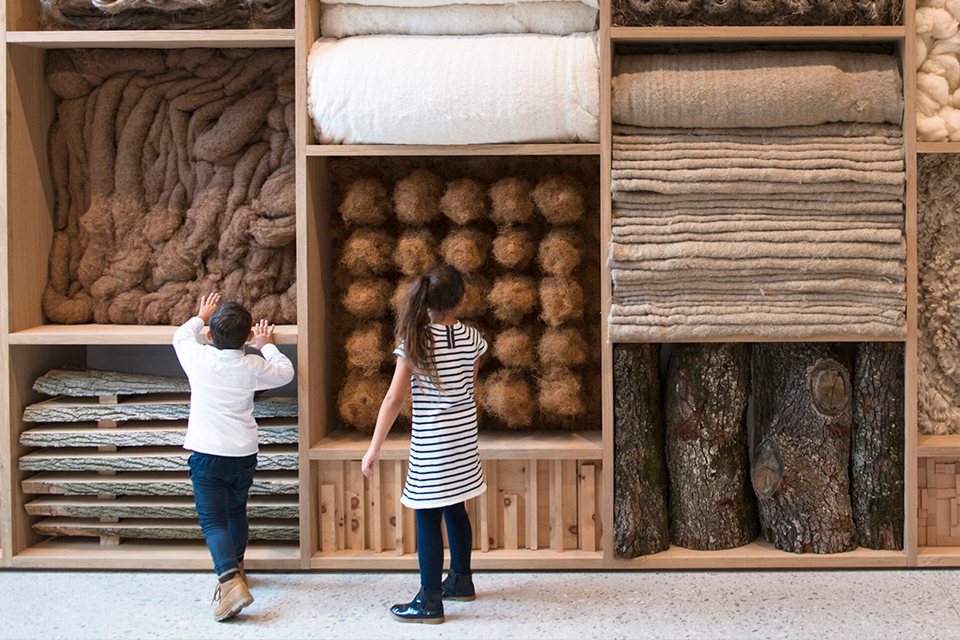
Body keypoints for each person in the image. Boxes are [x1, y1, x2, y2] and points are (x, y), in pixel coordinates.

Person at [362, 264, 488, 625]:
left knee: (427, 514)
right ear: (462, 299)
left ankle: (429, 601)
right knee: (456, 507)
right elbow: (469, 382)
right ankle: (461, 580)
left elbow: (393, 400)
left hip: (433, 442)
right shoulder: (473, 338)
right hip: (464, 437)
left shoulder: (415, 343)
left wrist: (373, 448)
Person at [173, 293, 295, 622]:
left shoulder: (198, 358)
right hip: (243, 455)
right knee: (235, 512)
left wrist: (202, 315)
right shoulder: (252, 364)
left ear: (210, 336)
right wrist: (265, 344)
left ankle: (229, 583)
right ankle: (238, 568)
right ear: (247, 337)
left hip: (208, 456)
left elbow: (180, 336)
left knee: (212, 522)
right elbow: (285, 372)